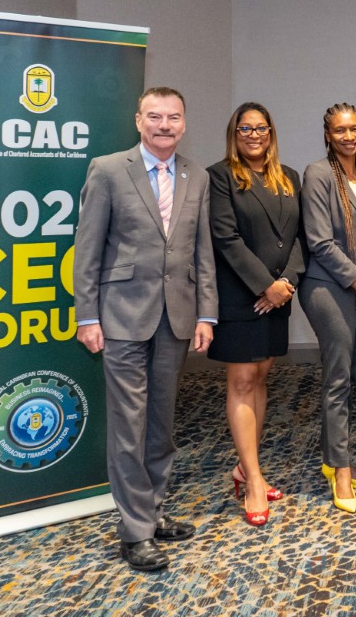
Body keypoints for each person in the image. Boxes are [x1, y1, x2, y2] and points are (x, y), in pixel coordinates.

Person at [74, 86, 217, 572]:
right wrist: (87, 316)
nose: (164, 125)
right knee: (129, 425)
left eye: (173, 117)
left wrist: (206, 314)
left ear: (184, 123)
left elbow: (202, 251)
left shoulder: (197, 175)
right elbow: (87, 248)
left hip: (176, 317)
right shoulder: (109, 170)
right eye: (154, 116)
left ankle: (152, 511)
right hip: (120, 317)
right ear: (139, 121)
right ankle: (135, 531)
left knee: (161, 423)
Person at [207, 102, 304, 527]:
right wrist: (265, 285)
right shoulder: (220, 176)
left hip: (279, 296)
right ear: (234, 133)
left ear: (271, 133)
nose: (254, 135)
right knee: (243, 380)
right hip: (240, 296)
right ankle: (254, 482)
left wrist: (287, 284)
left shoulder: (289, 177)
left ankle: (246, 468)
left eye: (261, 128)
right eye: (245, 128)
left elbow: (300, 237)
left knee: (262, 376)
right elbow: (225, 238)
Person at [299, 103, 356, 514]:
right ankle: (341, 472)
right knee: (338, 379)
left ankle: (332, 460)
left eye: (354, 128)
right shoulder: (318, 174)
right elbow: (320, 242)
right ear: (328, 135)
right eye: (340, 130)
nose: (348, 136)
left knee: (350, 376)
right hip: (329, 288)